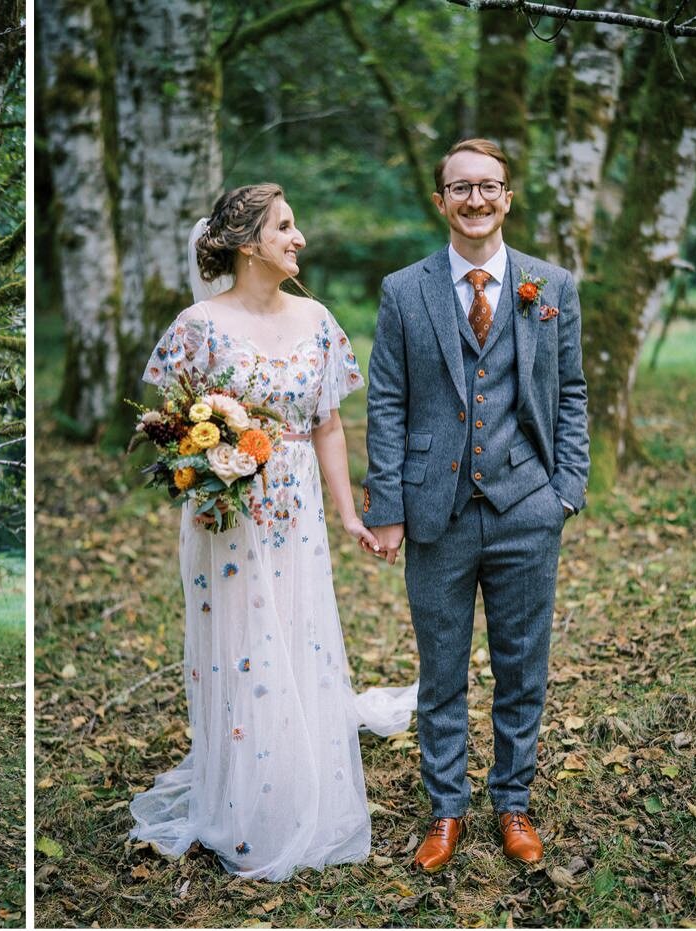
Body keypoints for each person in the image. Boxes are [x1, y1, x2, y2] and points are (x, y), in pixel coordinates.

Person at [130, 183, 417, 880]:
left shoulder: (316, 319)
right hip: (224, 515)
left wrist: (352, 513)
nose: (300, 239)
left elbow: (327, 424)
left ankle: (298, 782)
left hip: (298, 509)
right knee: (242, 647)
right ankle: (244, 800)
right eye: (285, 227)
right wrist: (200, 464)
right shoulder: (198, 325)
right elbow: (164, 427)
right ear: (248, 242)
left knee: (296, 633)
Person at [362, 138, 589, 871]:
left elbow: (573, 392)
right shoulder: (405, 290)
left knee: (523, 664)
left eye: (488, 186)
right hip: (438, 509)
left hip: (529, 502)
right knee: (442, 667)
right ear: (441, 201)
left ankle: (513, 801)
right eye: (460, 188)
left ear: (507, 197)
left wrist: (566, 490)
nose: (476, 200)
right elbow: (388, 400)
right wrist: (387, 505)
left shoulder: (550, 285)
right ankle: (446, 808)